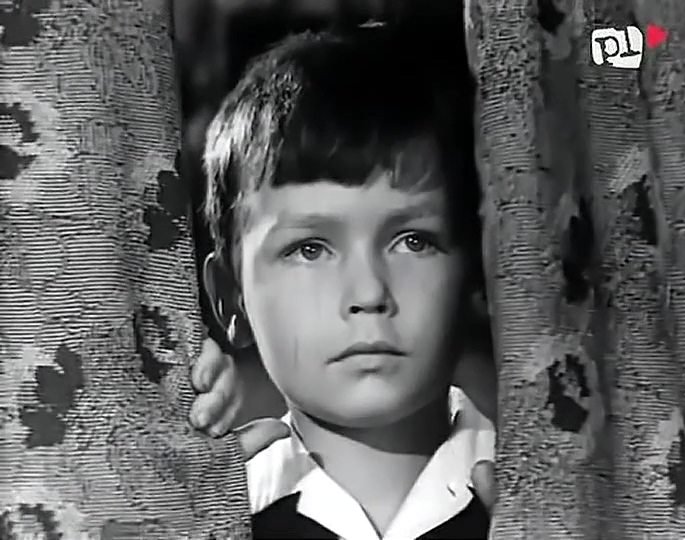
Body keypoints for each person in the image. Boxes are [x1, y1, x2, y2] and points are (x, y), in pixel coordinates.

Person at [192, 28, 496, 539]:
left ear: (476, 270)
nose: (369, 294)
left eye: (413, 242)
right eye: (309, 249)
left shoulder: (548, 501)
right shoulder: (203, 514)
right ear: (230, 297)